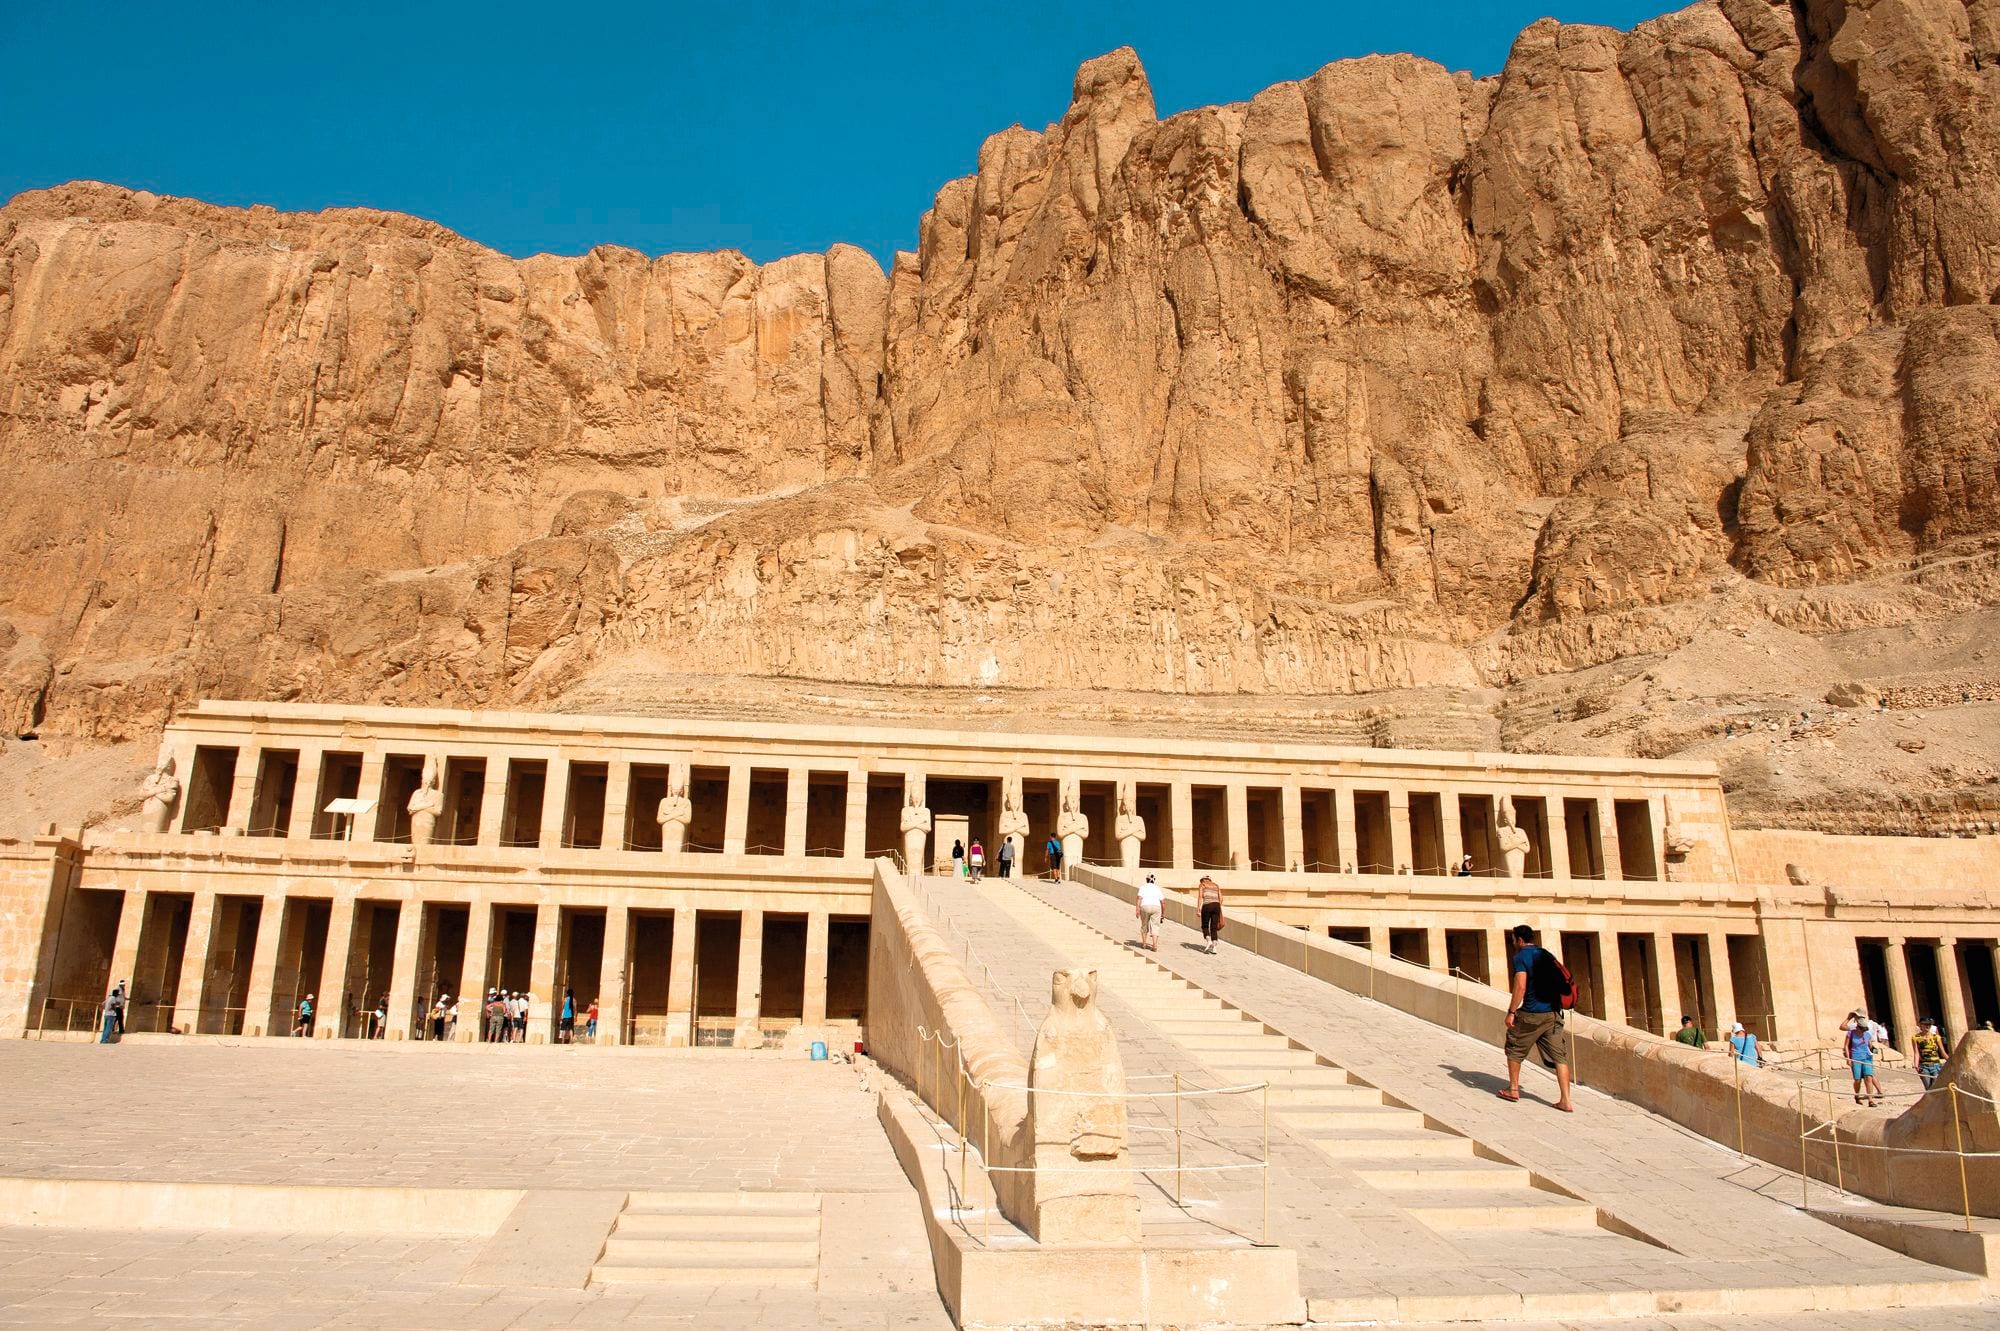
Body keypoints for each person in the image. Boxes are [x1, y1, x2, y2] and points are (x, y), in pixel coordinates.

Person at [1498, 924, 1574, 1113]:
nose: (1513, 943)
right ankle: (1566, 1100)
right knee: (1559, 1057)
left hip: (1532, 1013)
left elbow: (1521, 986)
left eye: (1513, 939)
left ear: (1519, 940)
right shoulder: (1546, 954)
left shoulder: (1521, 957)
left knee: (1514, 1049)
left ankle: (1513, 1089)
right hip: (1553, 1014)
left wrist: (1512, 1011)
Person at [1844, 1011, 1883, 1105]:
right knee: (1857, 1080)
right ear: (1858, 1027)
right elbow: (1846, 1046)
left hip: (1867, 1058)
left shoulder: (1867, 1034)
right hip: (1855, 1058)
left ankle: (1870, 1100)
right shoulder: (1851, 1033)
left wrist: (1874, 1050)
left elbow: (1870, 1045)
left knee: (1868, 1077)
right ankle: (1857, 1095)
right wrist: (1848, 1058)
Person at [1912, 1018, 1950, 1090]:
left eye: (1929, 1025)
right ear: (1920, 1025)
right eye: (1925, 1024)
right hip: (1924, 1066)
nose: (1928, 1026)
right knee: (1928, 1088)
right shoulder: (1915, 1038)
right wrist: (1916, 1065)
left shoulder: (1936, 1037)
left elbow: (1942, 1052)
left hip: (1936, 1065)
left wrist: (1950, 1061)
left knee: (1936, 1087)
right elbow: (1916, 1052)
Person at [1135, 874, 1164, 952]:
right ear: (1154, 880)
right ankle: (1154, 945)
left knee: (1144, 925)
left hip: (1145, 906)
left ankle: (1144, 943)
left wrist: (1137, 910)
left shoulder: (1143, 887)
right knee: (1155, 926)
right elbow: (1163, 902)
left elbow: (1139, 898)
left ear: (1146, 880)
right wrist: (1163, 914)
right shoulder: (1157, 888)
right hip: (1156, 907)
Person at [1197, 875, 1224, 954]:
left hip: (1207, 905)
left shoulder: (1202, 885)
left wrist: (1198, 909)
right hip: (1216, 905)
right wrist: (1217, 905)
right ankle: (1214, 948)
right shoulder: (1216, 885)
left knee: (1205, 926)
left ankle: (1209, 941)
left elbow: (1200, 897)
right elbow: (1221, 898)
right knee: (1214, 927)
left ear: (1203, 880)